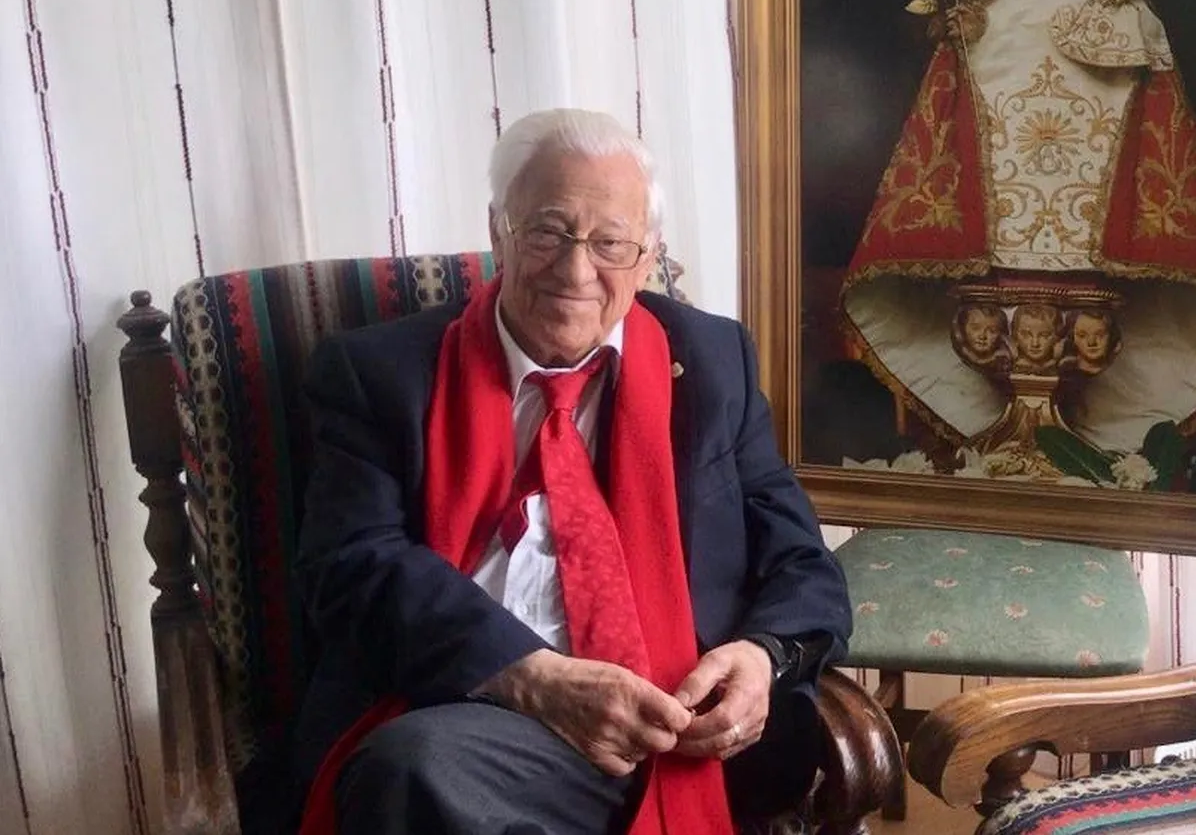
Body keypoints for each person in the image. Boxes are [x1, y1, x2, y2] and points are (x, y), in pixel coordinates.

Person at [288, 108, 851, 834]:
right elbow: (350, 564)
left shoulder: (714, 362)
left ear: (648, 257)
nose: (576, 271)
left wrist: (762, 657)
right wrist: (532, 675)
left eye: (611, 242)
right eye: (549, 233)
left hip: (684, 728)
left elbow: (801, 559)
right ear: (499, 232)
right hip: (486, 714)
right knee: (414, 768)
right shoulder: (379, 375)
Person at [839, 0, 1196, 470]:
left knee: (1107, 192)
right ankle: (1015, 414)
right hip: (1003, 23)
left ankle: (1079, 425)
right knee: (986, 190)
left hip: (1096, 19)